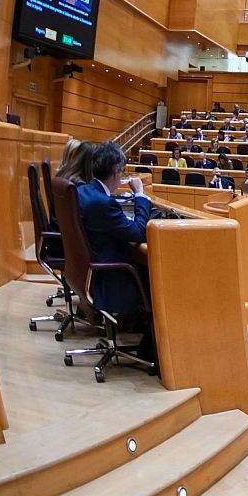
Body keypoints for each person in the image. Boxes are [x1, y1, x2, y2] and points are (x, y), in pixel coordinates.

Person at [78, 141, 156, 360]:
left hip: (91, 270)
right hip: (111, 276)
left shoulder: (84, 191)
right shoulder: (104, 205)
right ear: (115, 173)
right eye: (122, 172)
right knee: (160, 276)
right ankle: (151, 349)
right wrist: (140, 195)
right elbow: (140, 232)